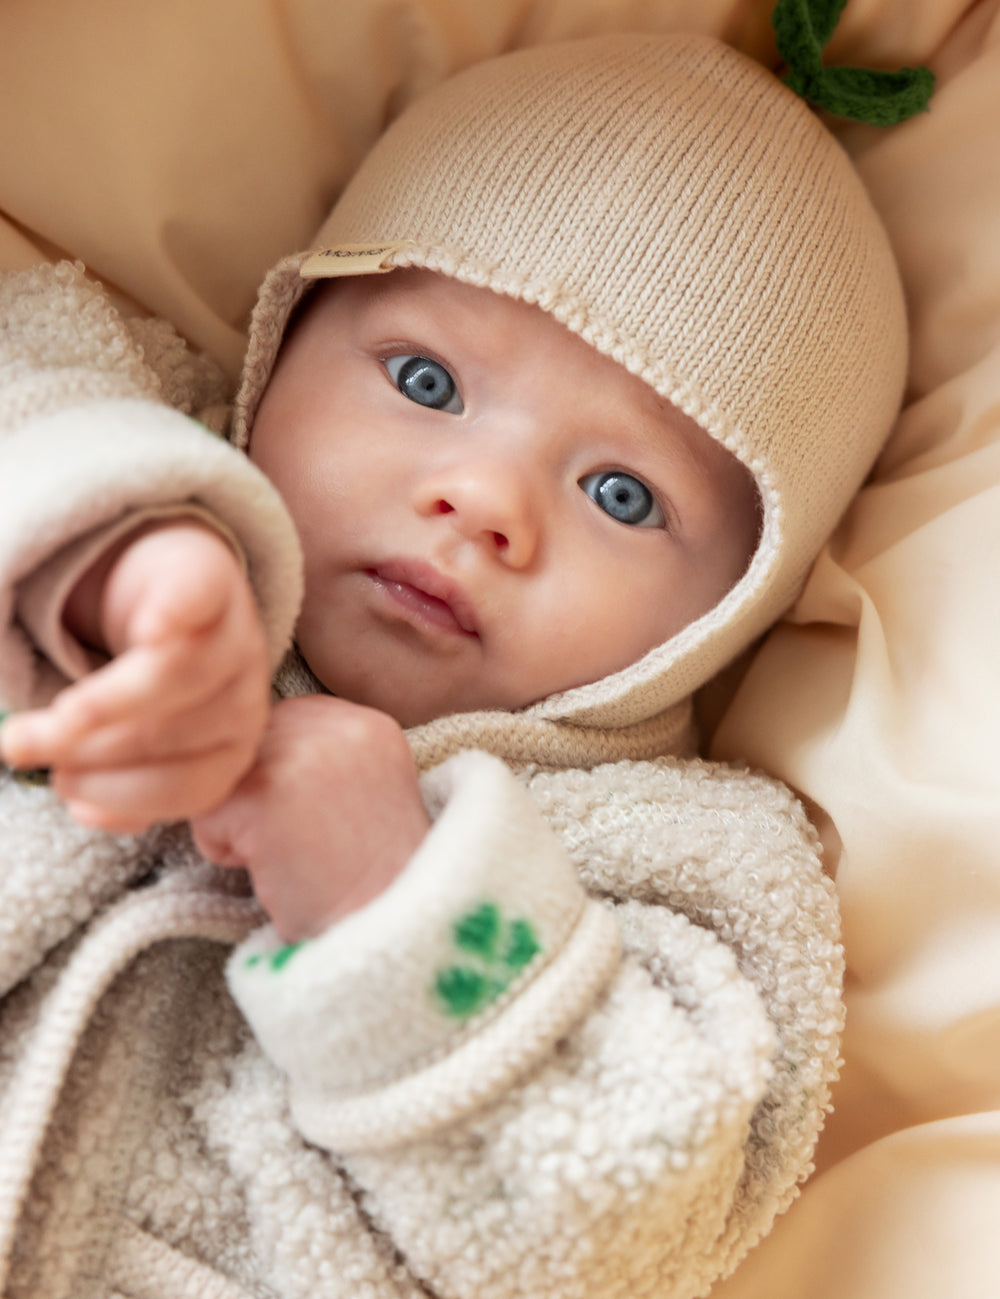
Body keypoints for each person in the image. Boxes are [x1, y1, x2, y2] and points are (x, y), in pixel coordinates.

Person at [0, 32, 905, 1299]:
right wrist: (111, 551)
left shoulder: (697, 866)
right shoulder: (123, 414)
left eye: (621, 494)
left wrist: (394, 897)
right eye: (425, 379)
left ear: (738, 607)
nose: (484, 499)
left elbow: (623, 1210)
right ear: (287, 326)